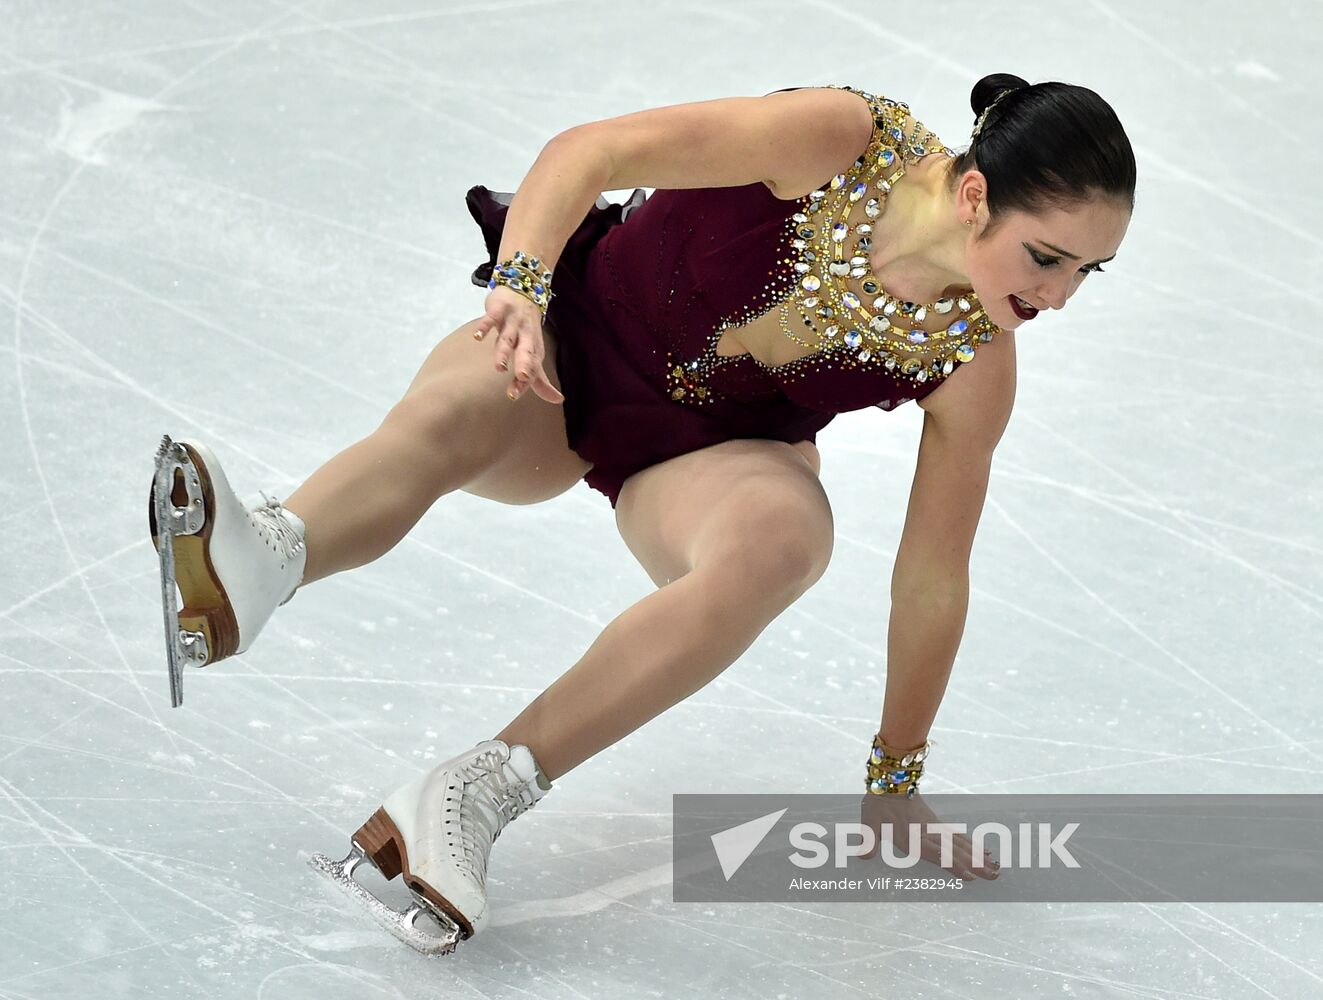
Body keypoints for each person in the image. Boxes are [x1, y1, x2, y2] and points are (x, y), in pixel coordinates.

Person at [148, 72, 1135, 954]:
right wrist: (522, 290)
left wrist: (894, 778)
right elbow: (592, 152)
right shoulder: (842, 139)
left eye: (1087, 272)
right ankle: (264, 559)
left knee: (787, 539)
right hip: (570, 352)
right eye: (1049, 257)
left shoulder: (976, 360)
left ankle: (472, 795)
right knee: (464, 401)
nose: (1059, 295)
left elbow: (933, 572)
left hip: (711, 460)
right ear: (974, 196)